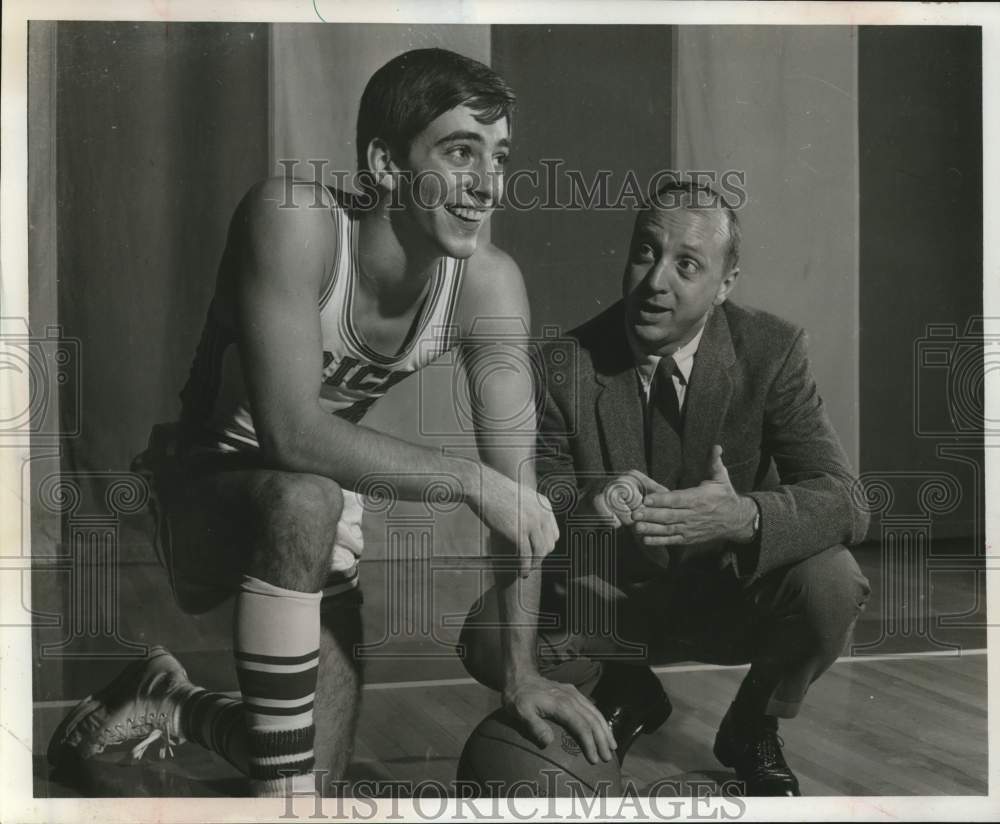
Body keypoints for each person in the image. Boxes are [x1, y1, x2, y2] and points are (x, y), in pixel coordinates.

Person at [46, 47, 615, 798]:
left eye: (498, 156)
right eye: (458, 152)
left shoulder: (490, 286)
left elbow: (519, 493)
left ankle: (168, 697)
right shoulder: (294, 221)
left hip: (313, 516)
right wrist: (467, 480)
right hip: (201, 497)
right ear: (383, 162)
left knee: (309, 770)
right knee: (309, 494)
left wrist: (521, 674)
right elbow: (289, 432)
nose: (486, 184)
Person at [458, 178, 872, 796]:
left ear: (725, 284)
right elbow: (534, 504)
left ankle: (751, 725)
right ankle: (626, 685)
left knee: (833, 584)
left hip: (729, 595)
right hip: (615, 599)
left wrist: (742, 517)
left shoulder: (773, 350)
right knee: (487, 636)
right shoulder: (562, 364)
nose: (656, 281)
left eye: (687, 265)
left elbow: (847, 499)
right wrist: (592, 508)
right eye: (646, 252)